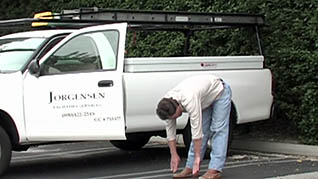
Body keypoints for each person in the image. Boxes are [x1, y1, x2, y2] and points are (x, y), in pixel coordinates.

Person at [156, 74, 232, 179]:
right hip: (205, 98)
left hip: (219, 92)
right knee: (204, 131)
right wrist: (174, 155)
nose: (174, 119)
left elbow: (197, 132)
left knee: (217, 129)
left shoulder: (189, 99)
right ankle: (190, 167)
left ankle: (214, 169)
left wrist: (197, 157)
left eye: (175, 116)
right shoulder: (166, 105)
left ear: (178, 106)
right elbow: (170, 133)